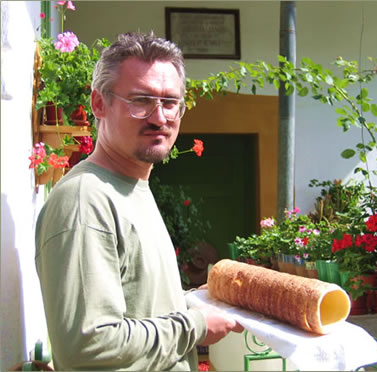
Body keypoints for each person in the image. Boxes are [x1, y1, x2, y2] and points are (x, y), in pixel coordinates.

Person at [35, 31, 243, 371]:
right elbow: (88, 346)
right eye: (141, 100)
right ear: (99, 103)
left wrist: (193, 303)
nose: (159, 117)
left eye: (170, 102)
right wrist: (196, 325)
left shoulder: (132, 187)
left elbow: (135, 306)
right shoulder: (85, 201)